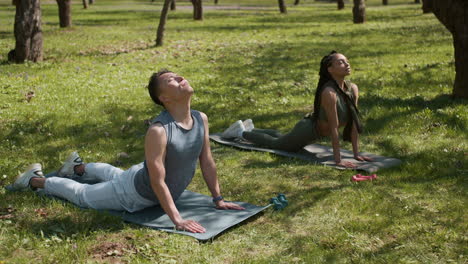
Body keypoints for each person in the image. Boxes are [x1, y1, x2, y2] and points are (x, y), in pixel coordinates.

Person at [12, 69, 244, 233]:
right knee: (83, 195)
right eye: (172, 80)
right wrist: (177, 219)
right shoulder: (159, 131)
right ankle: (34, 181)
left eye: (178, 75)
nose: (180, 77)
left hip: (136, 175)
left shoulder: (200, 118)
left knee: (115, 173)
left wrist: (218, 199)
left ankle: (76, 167)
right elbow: (157, 181)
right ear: (164, 98)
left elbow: (207, 161)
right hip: (133, 194)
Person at [222, 51, 372, 168]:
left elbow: (353, 123)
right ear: (330, 69)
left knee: (282, 137)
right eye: (341, 62)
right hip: (307, 131)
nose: (347, 64)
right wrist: (338, 160)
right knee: (277, 144)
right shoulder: (329, 93)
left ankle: (252, 128)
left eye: (347, 61)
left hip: (312, 132)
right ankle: (241, 132)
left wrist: (356, 154)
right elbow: (334, 128)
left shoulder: (352, 89)